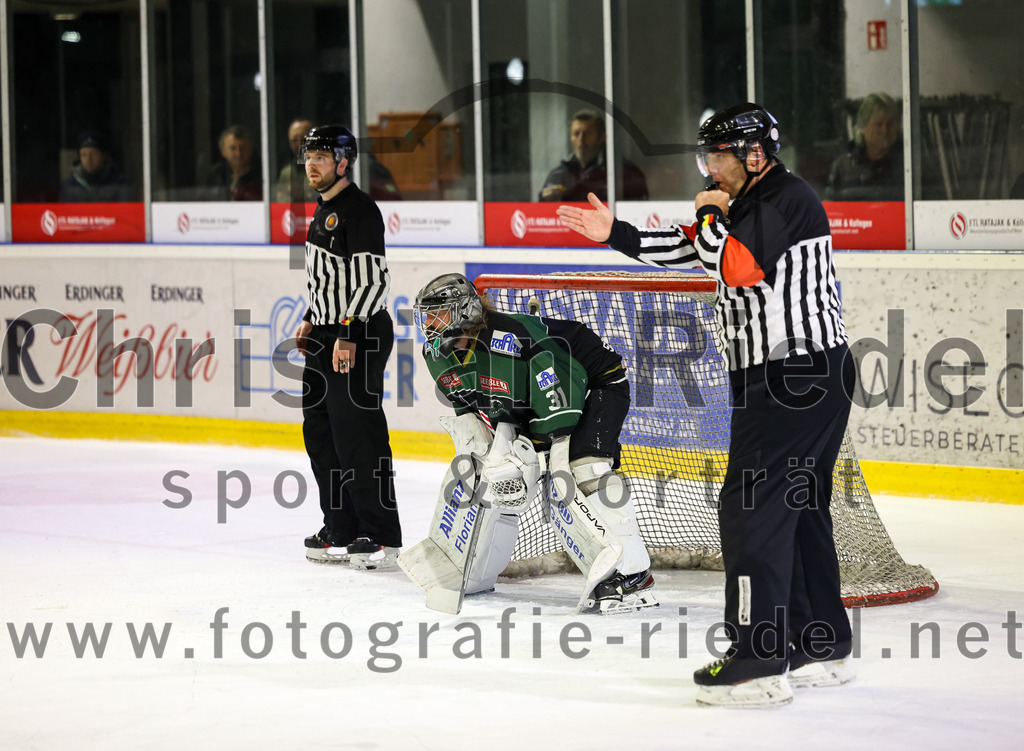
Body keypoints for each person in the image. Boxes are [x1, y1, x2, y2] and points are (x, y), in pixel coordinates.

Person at [557, 103, 855, 705]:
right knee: (797, 506)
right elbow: (685, 251)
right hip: (801, 376)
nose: (707, 169)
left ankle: (756, 657)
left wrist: (710, 218)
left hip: (789, 376)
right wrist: (615, 233)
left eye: (715, 157)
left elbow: (738, 267)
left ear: (752, 153)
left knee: (751, 509)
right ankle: (818, 640)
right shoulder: (746, 204)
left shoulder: (784, 199)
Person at [408, 272, 657, 614]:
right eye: (426, 315)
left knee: (584, 468)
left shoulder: (508, 340)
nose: (430, 323)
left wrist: (543, 469)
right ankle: (477, 571)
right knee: (491, 479)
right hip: (532, 400)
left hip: (593, 382)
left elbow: (559, 430)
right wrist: (486, 470)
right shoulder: (436, 355)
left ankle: (633, 575)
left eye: (439, 313)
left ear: (464, 312)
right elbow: (477, 422)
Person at [294, 124, 402, 570]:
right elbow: (330, 280)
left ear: (343, 161)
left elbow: (372, 280)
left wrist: (347, 332)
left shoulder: (359, 209)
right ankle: (340, 525)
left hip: (356, 334)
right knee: (321, 434)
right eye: (308, 156)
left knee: (359, 436)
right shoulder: (322, 210)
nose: (311, 165)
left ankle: (379, 534)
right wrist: (310, 318)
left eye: (320, 156)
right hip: (326, 332)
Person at [538, 109, 648, 202]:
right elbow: (542, 214)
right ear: (570, 138)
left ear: (603, 137)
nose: (581, 139)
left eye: (587, 134)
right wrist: (544, 198)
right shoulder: (559, 173)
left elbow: (637, 209)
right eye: (576, 134)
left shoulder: (622, 171)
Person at [825, 93, 903, 200]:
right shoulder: (843, 167)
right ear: (863, 128)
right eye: (878, 124)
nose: (885, 130)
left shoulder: (908, 165)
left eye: (890, 124)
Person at [59, 130, 132, 202]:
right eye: (84, 155)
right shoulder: (69, 186)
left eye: (94, 154)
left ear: (103, 156)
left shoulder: (119, 183)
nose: (88, 159)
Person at [204, 124, 262, 201]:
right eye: (233, 148)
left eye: (243, 148)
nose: (238, 153)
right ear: (223, 151)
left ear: (251, 149)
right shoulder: (215, 175)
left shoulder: (263, 174)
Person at [275, 118, 318, 203]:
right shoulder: (286, 173)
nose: (299, 144)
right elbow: (280, 201)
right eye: (295, 140)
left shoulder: (327, 168)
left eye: (304, 139)